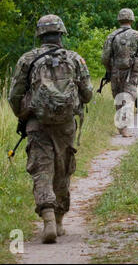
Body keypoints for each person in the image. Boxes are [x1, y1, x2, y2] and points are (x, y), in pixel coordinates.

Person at [8, 14, 93, 243]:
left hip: (37, 123)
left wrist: (24, 114)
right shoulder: (75, 59)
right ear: (61, 34)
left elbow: (14, 95)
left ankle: (46, 218)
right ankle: (58, 221)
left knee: (41, 168)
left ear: (40, 35)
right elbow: (87, 93)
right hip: (65, 125)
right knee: (63, 167)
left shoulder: (27, 59)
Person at [102, 8, 138, 136]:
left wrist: (110, 69)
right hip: (131, 71)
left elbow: (105, 58)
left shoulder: (111, 36)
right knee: (129, 96)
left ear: (119, 19)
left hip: (115, 70)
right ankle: (124, 127)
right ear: (131, 20)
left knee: (118, 96)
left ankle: (121, 126)